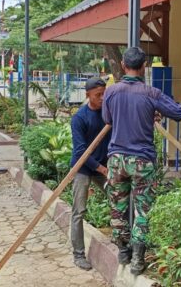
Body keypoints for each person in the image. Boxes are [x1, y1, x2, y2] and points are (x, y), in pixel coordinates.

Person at [102, 47, 181, 275]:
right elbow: (179, 113)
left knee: (117, 208)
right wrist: (152, 112)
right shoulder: (151, 93)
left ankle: (122, 251)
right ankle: (138, 259)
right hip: (142, 162)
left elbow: (107, 119)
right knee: (143, 210)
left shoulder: (111, 92)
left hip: (117, 160)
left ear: (122, 65)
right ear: (145, 66)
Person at [69, 77, 111, 270]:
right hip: (84, 168)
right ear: (88, 96)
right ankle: (78, 255)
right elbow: (80, 152)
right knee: (79, 211)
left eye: (104, 93)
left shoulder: (108, 113)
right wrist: (102, 169)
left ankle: (124, 242)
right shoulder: (79, 118)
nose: (102, 98)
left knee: (120, 199)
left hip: (103, 166)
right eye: (98, 95)